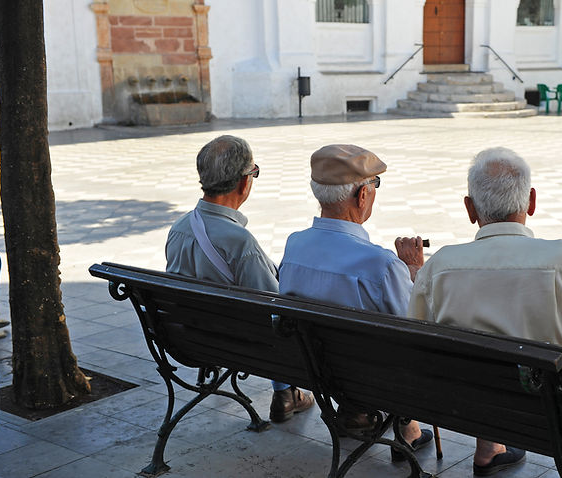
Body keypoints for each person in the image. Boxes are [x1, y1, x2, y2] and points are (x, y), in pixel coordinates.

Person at [408, 147, 562, 477]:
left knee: (486, 352)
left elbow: (419, 347)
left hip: (478, 408)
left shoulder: (438, 267)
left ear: (470, 208)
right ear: (531, 201)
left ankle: (489, 447)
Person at [279, 144, 432, 459]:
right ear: (362, 195)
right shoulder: (382, 264)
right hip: (370, 381)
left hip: (314, 371)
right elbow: (417, 330)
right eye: (375, 185)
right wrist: (414, 271)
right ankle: (408, 430)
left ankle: (365, 415)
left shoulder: (294, 246)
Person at [165, 135, 314, 423]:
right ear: (244, 182)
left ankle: (285, 392)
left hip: (188, 337)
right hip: (235, 345)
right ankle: (286, 392)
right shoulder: (240, 242)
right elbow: (275, 306)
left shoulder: (179, 228)